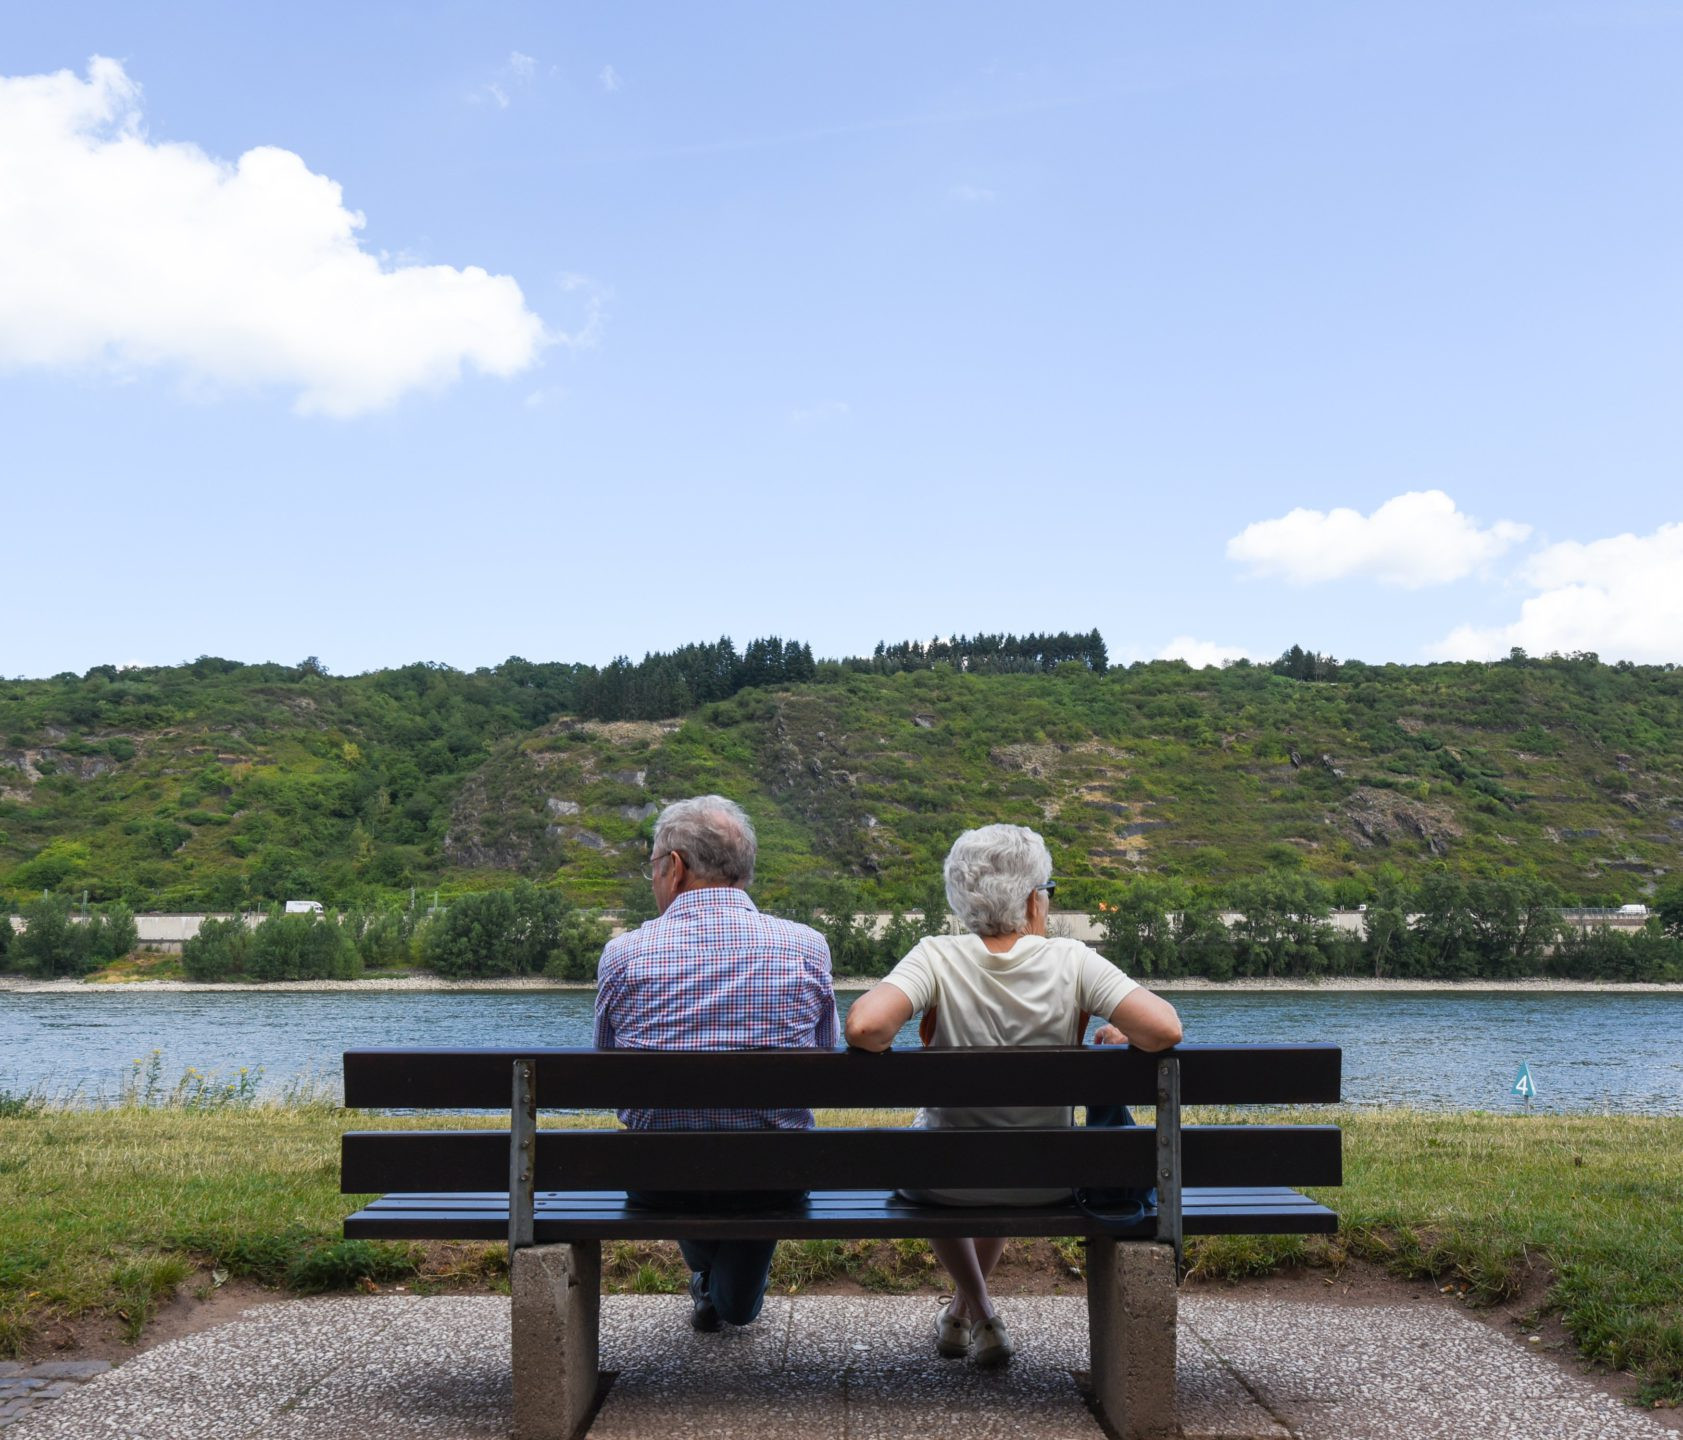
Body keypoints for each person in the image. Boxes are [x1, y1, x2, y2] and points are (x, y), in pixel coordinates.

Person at [843, 823, 1182, 1368]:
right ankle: (971, 1315)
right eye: (1048, 890)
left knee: (934, 1146)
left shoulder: (934, 956)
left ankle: (976, 1312)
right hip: (1046, 1181)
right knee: (1005, 1147)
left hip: (943, 1184)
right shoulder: (1073, 960)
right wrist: (1123, 1033)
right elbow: (1164, 1029)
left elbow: (864, 1029)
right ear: (1031, 899)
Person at [594, 794, 837, 1332]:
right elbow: (822, 1061)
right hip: (774, 1178)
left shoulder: (624, 954)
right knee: (738, 1304)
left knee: (674, 1141)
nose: (653, 879)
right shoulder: (806, 947)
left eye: (653, 867)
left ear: (675, 868)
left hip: (659, 1178)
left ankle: (710, 1286)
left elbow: (610, 1073)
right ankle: (719, 1290)